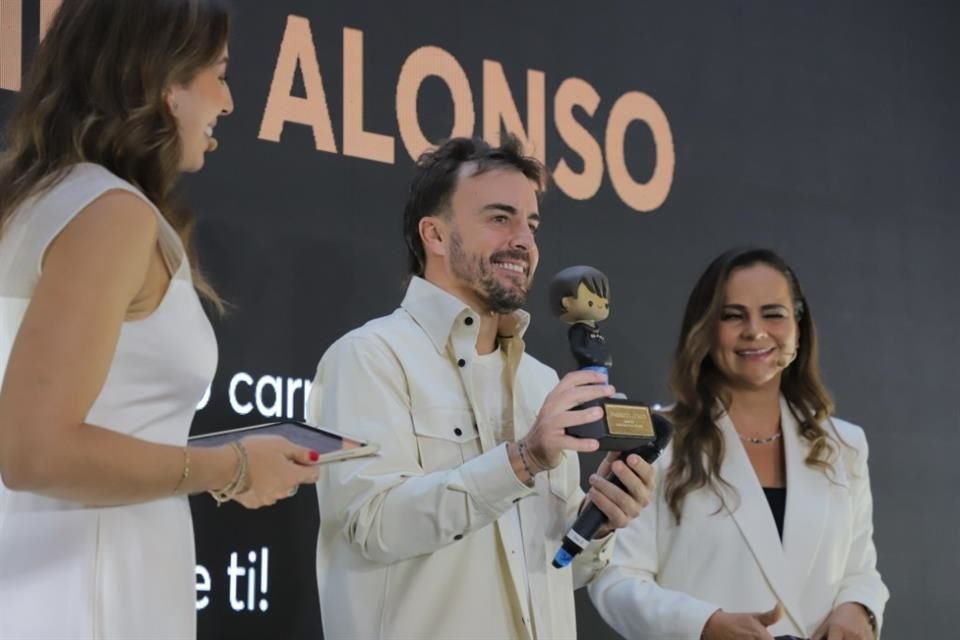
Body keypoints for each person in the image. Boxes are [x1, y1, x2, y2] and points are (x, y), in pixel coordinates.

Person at [0, 2, 320, 638]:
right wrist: (230, 467)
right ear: (167, 82)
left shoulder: (41, 200)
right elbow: (34, 450)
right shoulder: (110, 213)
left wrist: (240, 462)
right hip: (89, 596)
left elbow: (90, 423)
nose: (227, 102)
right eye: (220, 74)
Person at [308, 135, 655, 640]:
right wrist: (523, 461)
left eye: (531, 225)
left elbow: (558, 571)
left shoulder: (540, 381)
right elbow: (371, 527)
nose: (524, 240)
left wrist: (597, 523)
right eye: (500, 218)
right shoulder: (369, 357)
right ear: (435, 234)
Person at [589, 247, 889, 639]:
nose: (755, 331)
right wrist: (702, 625)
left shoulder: (845, 445)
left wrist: (859, 610)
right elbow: (614, 579)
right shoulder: (656, 441)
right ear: (706, 329)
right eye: (733, 316)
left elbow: (859, 571)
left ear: (799, 327)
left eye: (773, 314)